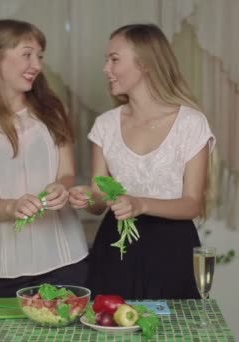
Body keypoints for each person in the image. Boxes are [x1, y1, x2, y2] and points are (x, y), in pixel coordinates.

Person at [69, 24, 215, 299]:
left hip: (173, 252)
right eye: (106, 60)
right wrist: (87, 197)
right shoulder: (105, 125)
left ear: (146, 64)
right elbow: (100, 201)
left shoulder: (191, 124)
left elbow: (192, 203)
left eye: (114, 59)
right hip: (115, 249)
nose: (106, 69)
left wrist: (140, 204)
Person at [0, 19, 88, 298]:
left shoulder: (54, 110)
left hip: (65, 262)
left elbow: (67, 173)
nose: (36, 64)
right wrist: (13, 207)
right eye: (27, 54)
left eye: (39, 56)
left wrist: (61, 186)